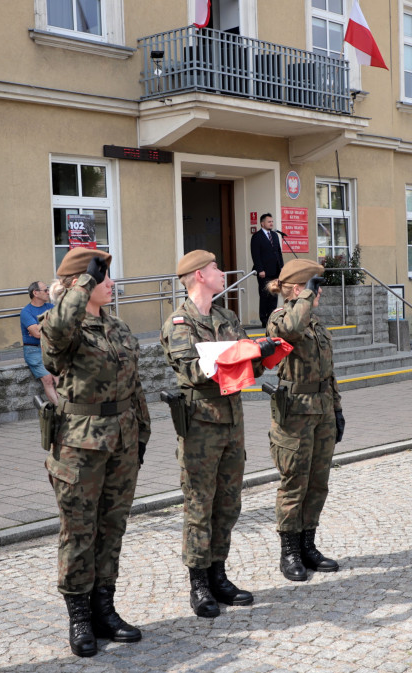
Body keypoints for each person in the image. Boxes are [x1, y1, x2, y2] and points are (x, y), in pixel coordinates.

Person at [41, 248, 150, 658]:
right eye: (101, 276)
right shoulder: (62, 329)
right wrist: (84, 278)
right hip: (79, 445)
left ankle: (105, 608)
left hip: (121, 440)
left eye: (106, 275)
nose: (110, 282)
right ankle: (80, 615)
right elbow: (55, 339)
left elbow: (134, 384)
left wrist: (142, 432)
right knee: (79, 531)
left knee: (112, 528)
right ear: (77, 284)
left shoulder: (117, 326)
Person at [161, 250, 272, 616]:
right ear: (198, 276)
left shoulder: (227, 316)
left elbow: (247, 365)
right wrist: (230, 357)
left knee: (228, 503)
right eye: (214, 268)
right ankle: (199, 583)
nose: (222, 272)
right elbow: (194, 371)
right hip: (200, 425)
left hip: (232, 422)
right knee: (199, 505)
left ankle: (219, 574)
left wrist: (263, 352)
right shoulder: (179, 322)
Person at [265, 258, 343, 581]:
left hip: (322, 408)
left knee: (317, 482)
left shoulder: (315, 323)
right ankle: (290, 552)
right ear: (297, 288)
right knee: (294, 482)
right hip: (295, 412)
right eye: (313, 286)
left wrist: (336, 408)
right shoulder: (280, 317)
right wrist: (304, 299)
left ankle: (308, 545)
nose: (318, 292)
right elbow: (290, 330)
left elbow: (329, 371)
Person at [21, 280, 58, 407]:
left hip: (51, 348)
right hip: (34, 350)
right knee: (48, 379)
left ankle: (67, 408)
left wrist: (40, 327)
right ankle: (61, 410)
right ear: (35, 293)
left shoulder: (51, 308)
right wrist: (48, 328)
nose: (48, 292)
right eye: (46, 290)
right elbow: (36, 334)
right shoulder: (26, 312)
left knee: (59, 378)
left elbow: (61, 328)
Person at [250, 213, 284, 326]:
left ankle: (272, 318)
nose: (271, 223)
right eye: (269, 221)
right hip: (264, 272)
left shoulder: (274, 235)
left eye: (272, 221)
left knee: (274, 295)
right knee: (265, 295)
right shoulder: (257, 236)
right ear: (262, 223)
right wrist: (260, 269)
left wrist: (282, 267)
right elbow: (256, 255)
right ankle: (264, 320)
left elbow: (278, 252)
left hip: (275, 271)